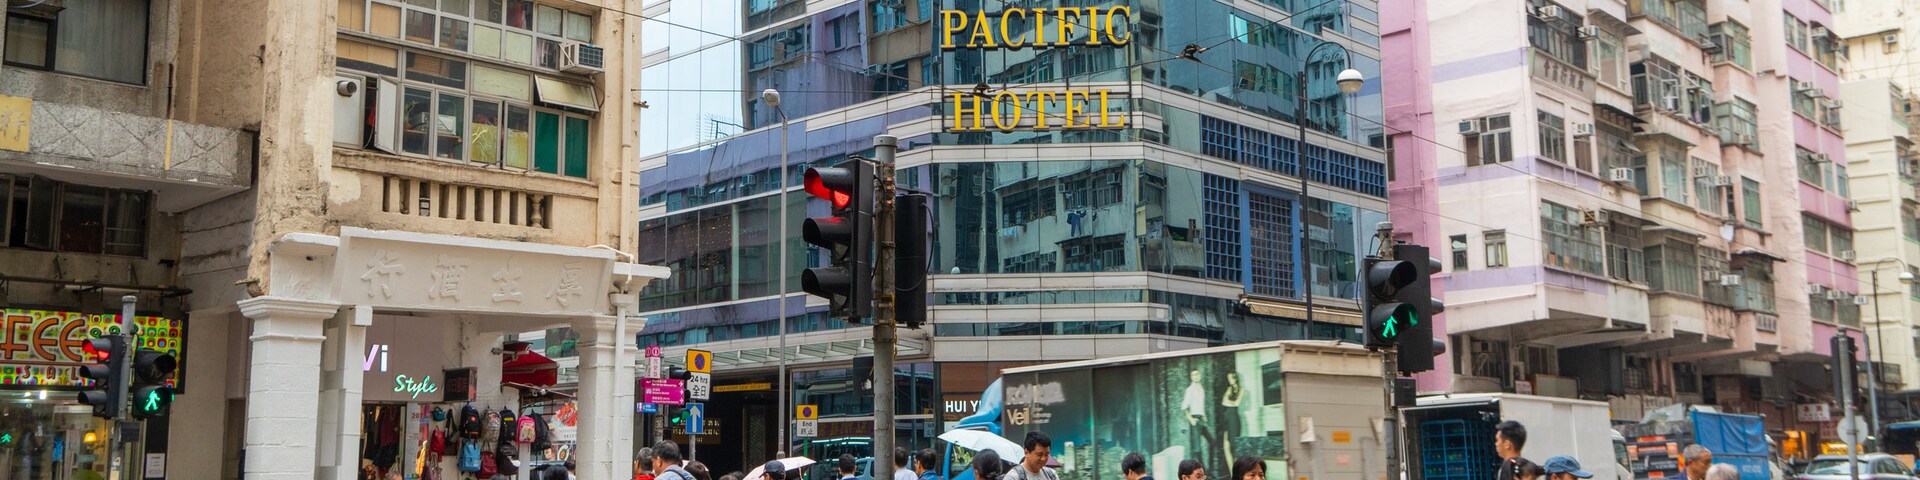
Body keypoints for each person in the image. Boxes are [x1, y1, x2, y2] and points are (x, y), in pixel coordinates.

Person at [1181, 370, 1211, 472]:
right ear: (1191, 377)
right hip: (1195, 419)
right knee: (1197, 449)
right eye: (1193, 375)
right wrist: (1191, 419)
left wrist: (1204, 416)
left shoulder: (1201, 388)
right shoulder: (1190, 390)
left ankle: (1207, 471)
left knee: (1212, 442)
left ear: (1200, 375)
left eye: (1197, 374)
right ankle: (1203, 473)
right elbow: (1184, 407)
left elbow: (1200, 405)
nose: (1195, 376)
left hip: (1201, 419)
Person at [1220, 373, 1245, 468]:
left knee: (1234, 447)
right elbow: (1223, 402)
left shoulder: (1241, 389)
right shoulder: (1229, 389)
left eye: (1230, 378)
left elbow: (1237, 403)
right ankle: (1232, 474)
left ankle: (1237, 473)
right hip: (1226, 418)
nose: (1229, 380)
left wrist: (1229, 402)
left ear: (1235, 378)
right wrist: (1231, 402)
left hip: (1234, 419)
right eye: (1228, 378)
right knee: (1226, 446)